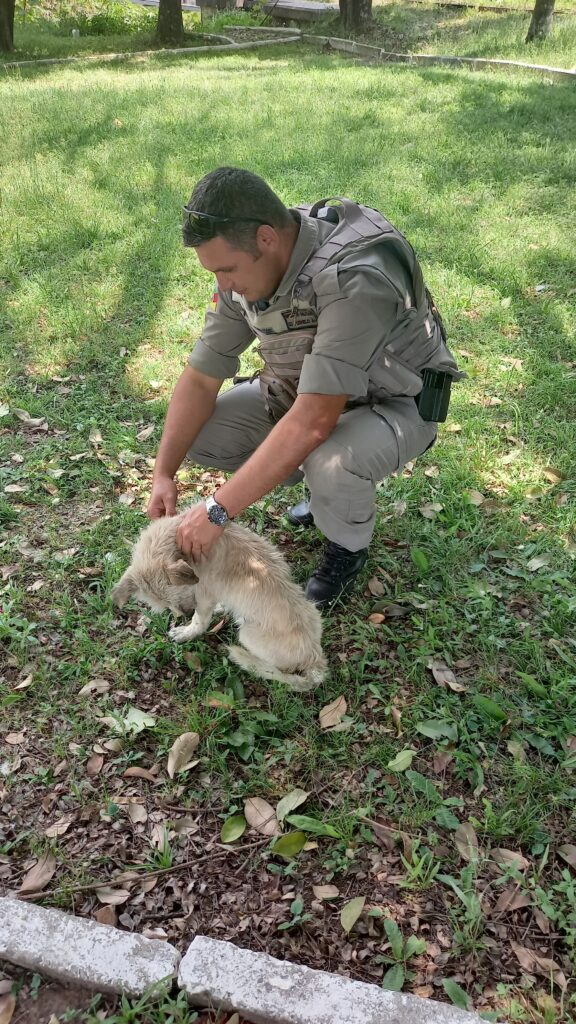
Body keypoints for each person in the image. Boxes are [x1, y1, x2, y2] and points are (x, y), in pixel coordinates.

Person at [147, 167, 463, 610]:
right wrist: (164, 473)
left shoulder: (357, 277)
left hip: (395, 403)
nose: (222, 284)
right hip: (310, 393)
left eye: (227, 269)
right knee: (202, 434)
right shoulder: (252, 260)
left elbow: (314, 422)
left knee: (328, 460)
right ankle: (319, 495)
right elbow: (201, 376)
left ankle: (347, 547)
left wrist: (217, 510)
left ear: (266, 239)